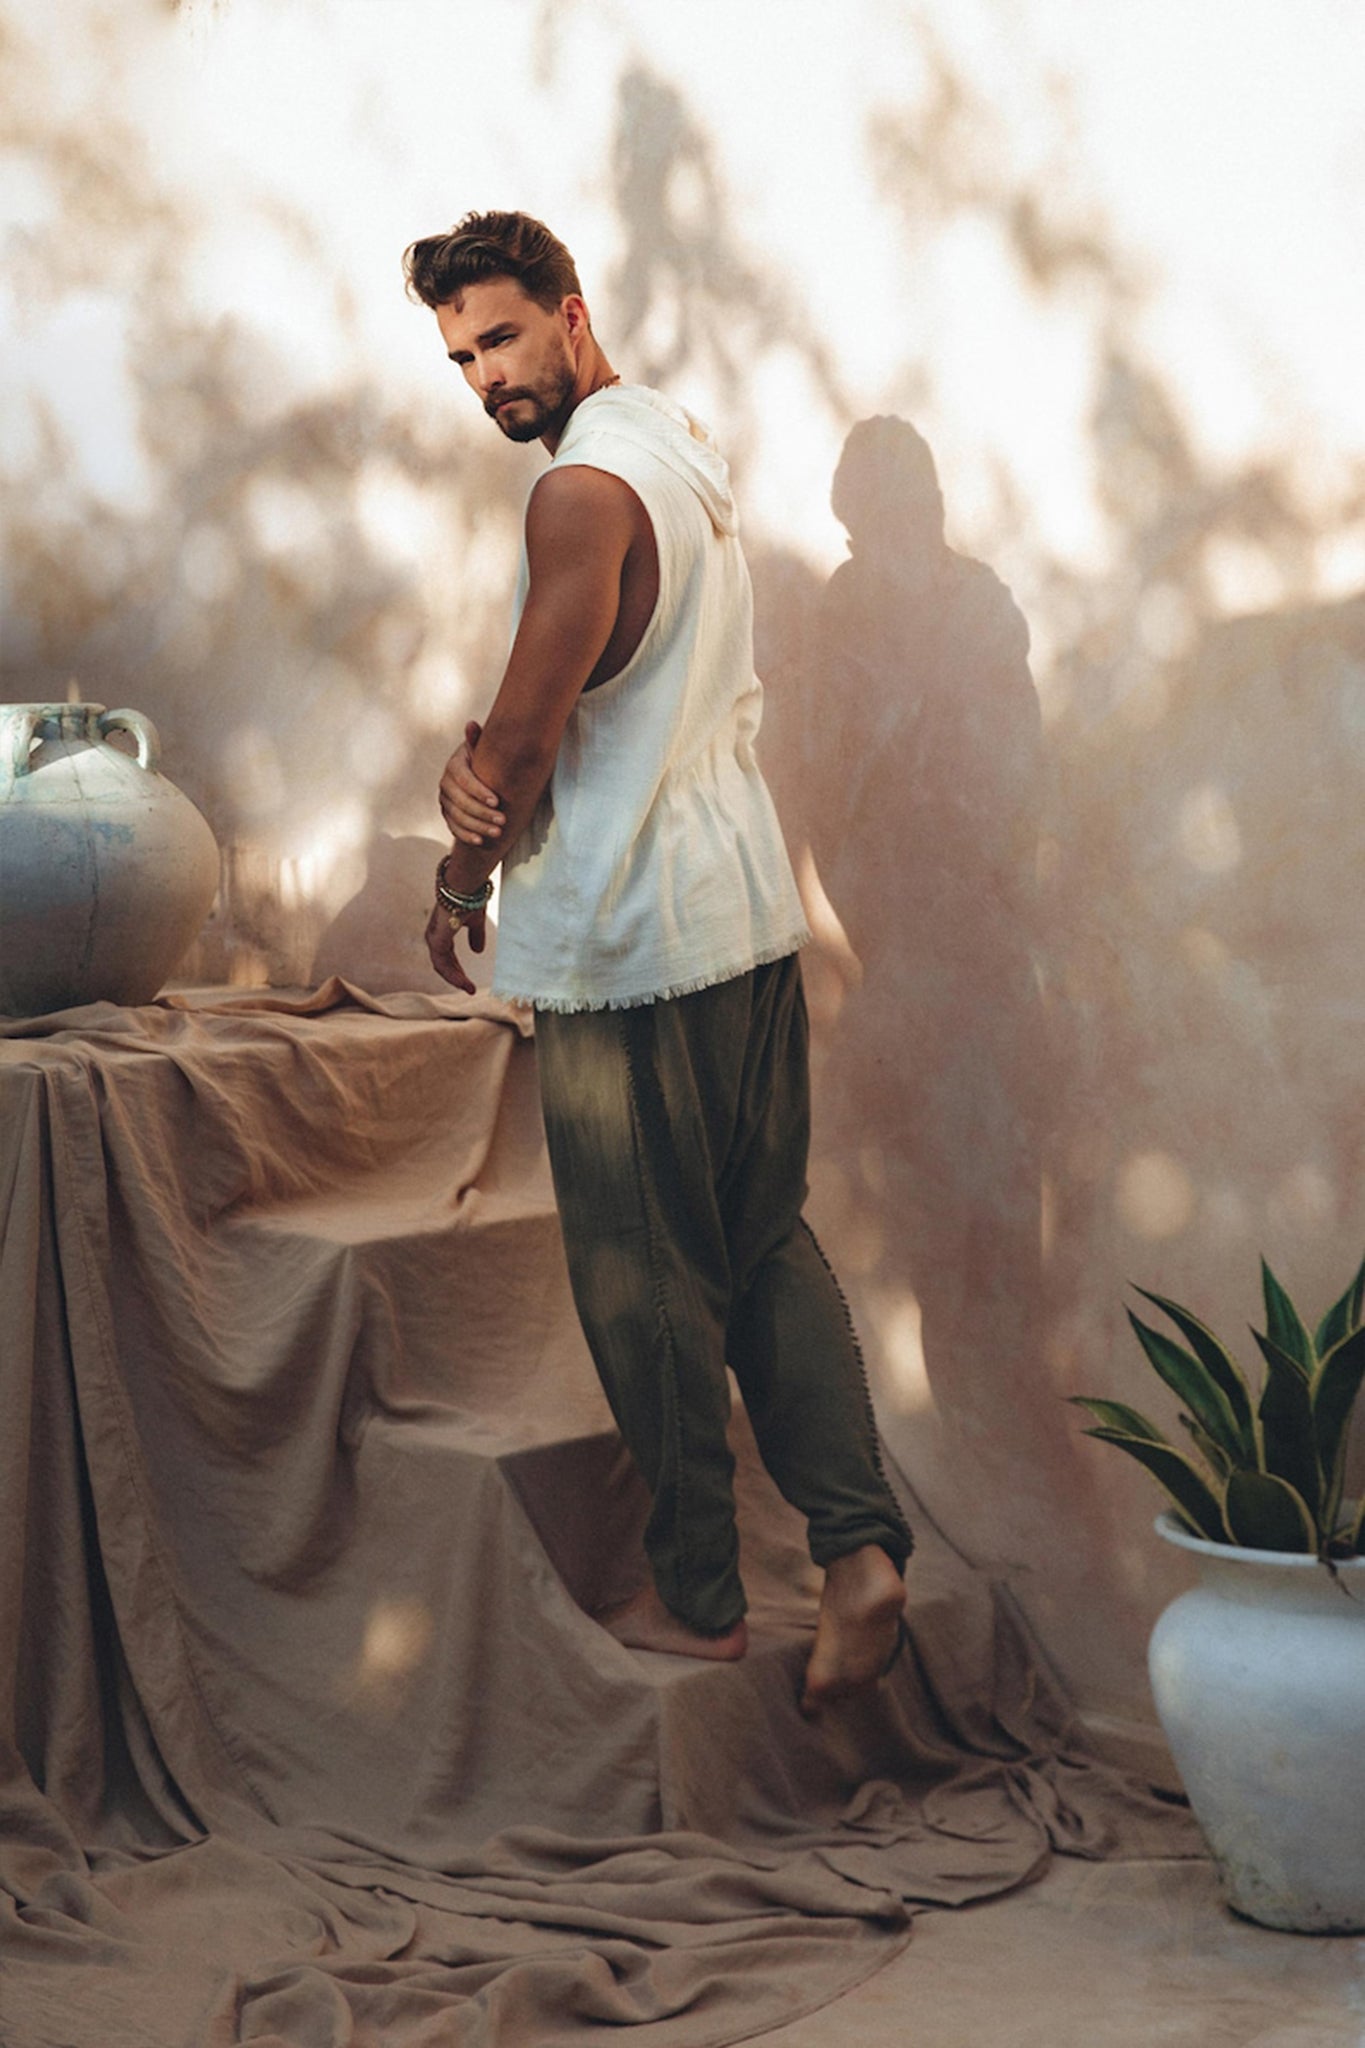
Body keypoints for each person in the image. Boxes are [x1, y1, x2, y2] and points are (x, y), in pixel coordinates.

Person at [402, 210, 911, 1709]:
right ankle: (859, 1552)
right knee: (761, 1239)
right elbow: (617, 688)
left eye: (502, 337)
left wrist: (461, 866)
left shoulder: (577, 494)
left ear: (571, 312)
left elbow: (528, 738)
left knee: (644, 1276)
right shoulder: (677, 444)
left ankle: (697, 1596)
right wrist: (492, 759)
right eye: (461, 357)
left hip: (632, 940)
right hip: (739, 912)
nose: (487, 377)